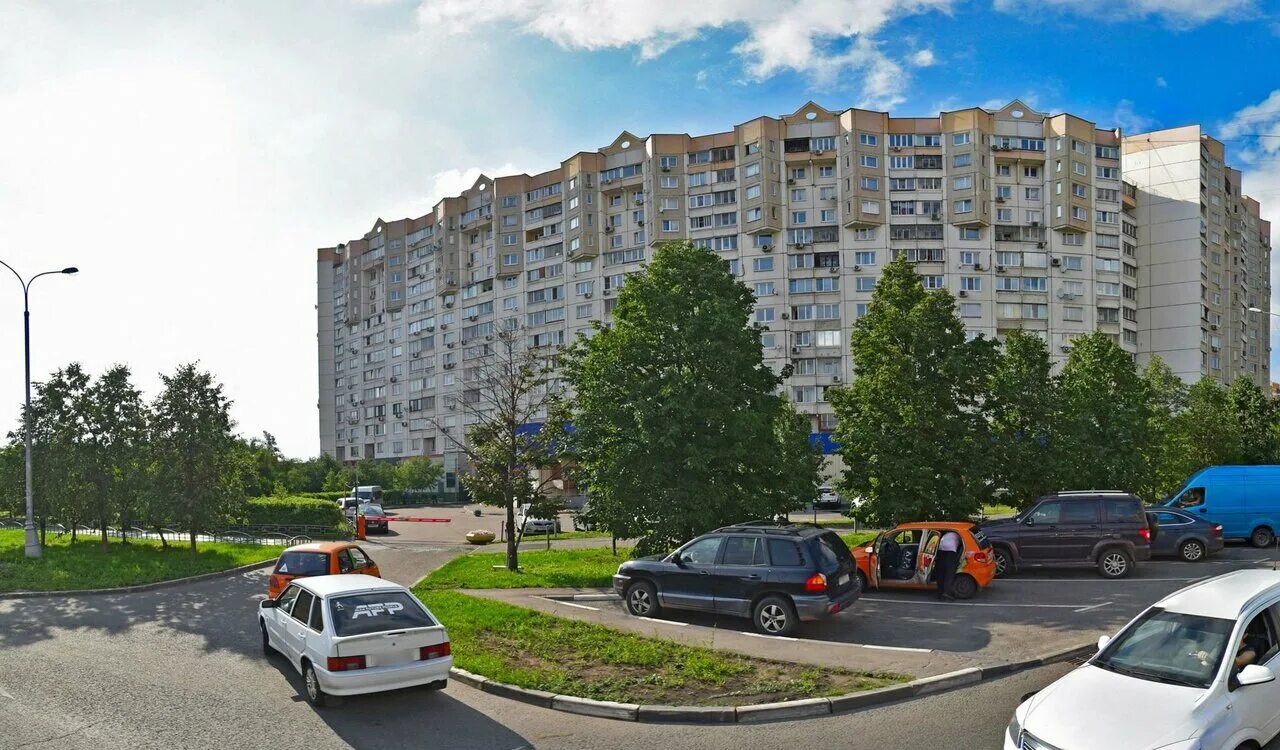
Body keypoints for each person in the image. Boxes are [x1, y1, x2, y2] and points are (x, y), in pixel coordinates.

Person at [936, 528, 962, 600]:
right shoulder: (959, 534)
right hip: (951, 551)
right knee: (949, 573)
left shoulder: (945, 535)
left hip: (941, 550)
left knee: (941, 572)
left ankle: (940, 593)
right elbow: (961, 547)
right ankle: (947, 593)